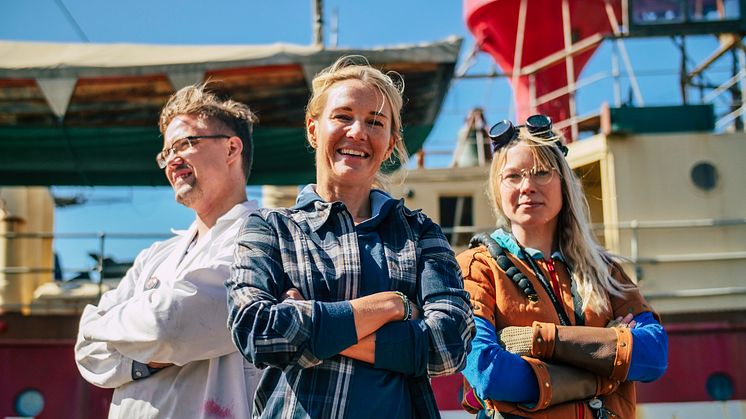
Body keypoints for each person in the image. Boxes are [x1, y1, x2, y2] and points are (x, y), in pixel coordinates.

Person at [226, 56, 475, 418]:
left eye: (375, 122)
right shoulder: (269, 229)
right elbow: (255, 330)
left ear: (390, 144)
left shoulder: (421, 233)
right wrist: (393, 307)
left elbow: (450, 344)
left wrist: (311, 324)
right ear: (313, 130)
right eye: (343, 116)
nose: (358, 132)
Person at [458, 115, 668, 418]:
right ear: (497, 188)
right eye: (513, 176)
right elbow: (490, 373)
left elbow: (654, 355)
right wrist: (606, 363)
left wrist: (538, 341)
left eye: (542, 173)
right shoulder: (478, 269)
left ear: (563, 183)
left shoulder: (604, 270)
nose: (527, 186)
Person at [75, 84, 262, 418]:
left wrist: (100, 326)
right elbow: (87, 353)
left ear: (232, 148)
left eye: (185, 143)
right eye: (166, 152)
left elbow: (172, 323)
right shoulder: (155, 256)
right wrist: (144, 360)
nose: (172, 160)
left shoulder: (265, 238)